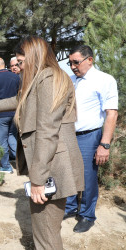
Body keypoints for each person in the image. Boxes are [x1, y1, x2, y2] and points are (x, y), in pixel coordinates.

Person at [0, 36, 84, 250]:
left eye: (21, 62)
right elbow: (18, 100)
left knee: (46, 235)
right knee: (46, 230)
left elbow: (48, 131)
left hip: (51, 166)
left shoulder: (49, 79)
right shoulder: (41, 78)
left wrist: (39, 180)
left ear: (34, 58)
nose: (19, 68)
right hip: (49, 162)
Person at [64, 45, 118, 233]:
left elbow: (111, 113)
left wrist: (104, 144)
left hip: (90, 136)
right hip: (69, 134)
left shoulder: (104, 80)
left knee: (87, 177)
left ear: (89, 60)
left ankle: (87, 215)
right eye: (69, 62)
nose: (72, 66)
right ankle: (70, 207)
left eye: (76, 62)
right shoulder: (70, 80)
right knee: (69, 173)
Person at [0, 57, 20, 173]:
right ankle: (23, 162)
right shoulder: (16, 77)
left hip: (0, 114)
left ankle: (5, 166)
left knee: (2, 140)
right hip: (14, 112)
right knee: (12, 137)